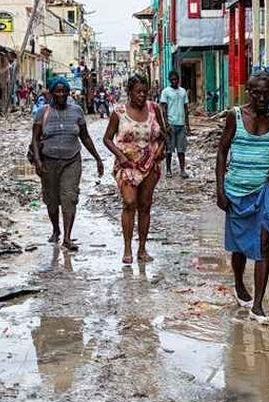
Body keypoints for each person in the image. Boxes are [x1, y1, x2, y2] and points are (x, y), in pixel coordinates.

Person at [216, 71, 269, 325]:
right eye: (256, 92)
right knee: (239, 246)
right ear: (249, 92)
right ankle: (238, 283)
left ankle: (258, 305)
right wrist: (220, 190)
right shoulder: (235, 117)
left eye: (266, 93)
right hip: (236, 191)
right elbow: (222, 152)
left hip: (264, 191)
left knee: (263, 243)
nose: (261, 98)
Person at [31, 76, 104, 251]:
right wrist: (38, 161)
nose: (61, 94)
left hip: (72, 161)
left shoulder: (77, 111)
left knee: (69, 197)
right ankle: (56, 229)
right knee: (51, 200)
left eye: (64, 91)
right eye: (57, 91)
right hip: (49, 162)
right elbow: (34, 139)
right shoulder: (42, 112)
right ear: (51, 93)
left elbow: (85, 136)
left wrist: (97, 158)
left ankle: (68, 237)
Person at [104, 74, 167, 264]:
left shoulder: (154, 109)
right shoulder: (119, 112)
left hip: (149, 165)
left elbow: (163, 135)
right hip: (127, 165)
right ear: (129, 92)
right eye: (138, 92)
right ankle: (127, 247)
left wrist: (160, 151)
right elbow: (107, 138)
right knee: (129, 203)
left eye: (144, 92)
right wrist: (121, 156)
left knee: (145, 205)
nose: (141, 96)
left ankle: (142, 249)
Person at [160, 70, 190, 178]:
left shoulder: (183, 92)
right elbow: (163, 108)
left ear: (178, 80)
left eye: (176, 79)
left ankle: (182, 170)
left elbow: (186, 109)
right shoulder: (166, 92)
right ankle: (168, 170)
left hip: (181, 125)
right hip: (171, 125)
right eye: (172, 79)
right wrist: (166, 124)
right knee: (169, 150)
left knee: (181, 150)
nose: (174, 81)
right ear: (169, 80)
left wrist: (188, 125)